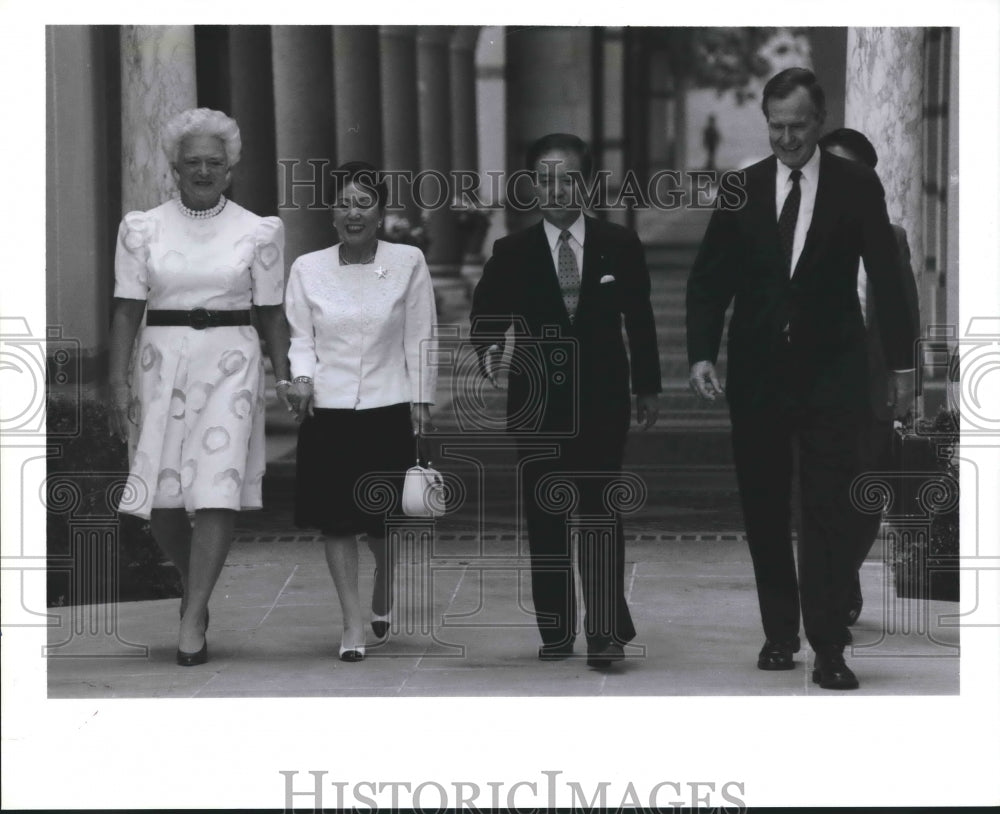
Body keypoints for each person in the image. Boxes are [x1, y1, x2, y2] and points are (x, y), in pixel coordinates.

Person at [686, 68, 917, 690]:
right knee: (764, 507)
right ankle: (779, 633)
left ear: (819, 122)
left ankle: (829, 646)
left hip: (830, 375)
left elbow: (887, 280)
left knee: (825, 508)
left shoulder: (856, 184)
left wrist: (900, 366)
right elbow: (710, 279)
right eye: (776, 126)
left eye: (798, 125)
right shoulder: (742, 188)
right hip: (757, 375)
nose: (786, 138)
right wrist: (702, 353)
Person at [470, 133, 661, 668]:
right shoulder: (512, 252)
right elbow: (486, 312)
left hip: (602, 400)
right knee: (547, 514)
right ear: (531, 186)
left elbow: (640, 321)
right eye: (546, 179)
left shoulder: (618, 245)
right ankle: (556, 629)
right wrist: (488, 348)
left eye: (568, 178)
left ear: (588, 183)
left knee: (601, 512)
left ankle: (605, 632)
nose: (557, 189)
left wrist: (646, 386)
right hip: (537, 406)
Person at [109, 107, 291, 667]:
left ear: (231, 168)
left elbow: (272, 312)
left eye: (216, 161)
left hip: (231, 363)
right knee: (162, 496)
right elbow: (124, 308)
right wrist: (117, 377)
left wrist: (284, 373)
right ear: (174, 167)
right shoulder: (143, 227)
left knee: (217, 487)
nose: (205, 171)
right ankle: (196, 586)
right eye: (194, 162)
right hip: (160, 361)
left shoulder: (259, 230)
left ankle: (193, 615)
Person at [284, 161, 437, 663]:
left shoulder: (409, 261)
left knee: (382, 522)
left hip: (388, 404)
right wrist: (302, 379)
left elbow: (420, 335)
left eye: (363, 203)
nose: (353, 213)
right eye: (344, 203)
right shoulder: (307, 268)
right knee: (337, 521)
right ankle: (352, 620)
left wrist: (422, 399)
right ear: (331, 212)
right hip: (327, 411)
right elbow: (300, 338)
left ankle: (385, 577)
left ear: (381, 211)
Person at [817, 127, 921, 626]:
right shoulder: (796, 237)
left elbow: (904, 309)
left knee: (863, 499)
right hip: (811, 390)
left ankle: (843, 575)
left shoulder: (890, 238)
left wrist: (907, 381)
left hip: (870, 389)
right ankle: (829, 589)